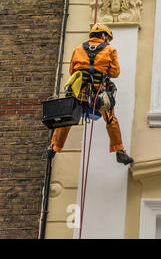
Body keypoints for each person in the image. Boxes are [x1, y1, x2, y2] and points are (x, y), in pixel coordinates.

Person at [47, 23, 134, 165]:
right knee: (111, 119)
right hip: (98, 93)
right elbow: (115, 72)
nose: (107, 41)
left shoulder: (78, 49)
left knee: (66, 117)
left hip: (78, 92)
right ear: (104, 35)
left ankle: (54, 147)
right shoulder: (110, 50)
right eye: (107, 38)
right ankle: (119, 151)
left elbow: (72, 71)